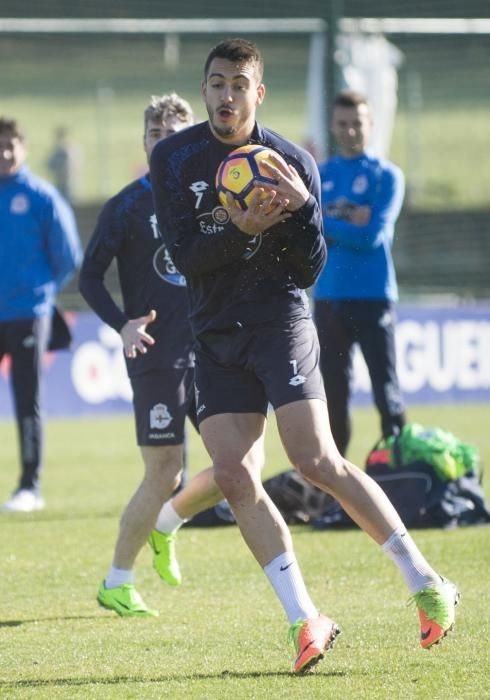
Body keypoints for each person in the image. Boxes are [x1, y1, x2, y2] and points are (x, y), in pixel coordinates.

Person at [150, 38, 459, 673]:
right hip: (214, 331)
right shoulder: (175, 159)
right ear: (204, 89)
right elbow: (184, 259)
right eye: (216, 83)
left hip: (279, 320)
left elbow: (311, 264)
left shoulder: (291, 161)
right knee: (233, 475)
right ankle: (305, 619)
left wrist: (302, 209)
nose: (226, 95)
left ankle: (426, 580)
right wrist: (241, 231)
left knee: (314, 458)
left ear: (257, 93)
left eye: (239, 84)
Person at [79, 94, 222, 617]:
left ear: (192, 142)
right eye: (156, 135)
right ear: (145, 142)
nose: (165, 144)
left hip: (214, 352)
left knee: (243, 466)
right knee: (165, 472)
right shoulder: (126, 206)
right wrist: (122, 324)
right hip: (156, 354)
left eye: (175, 136)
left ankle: (168, 523)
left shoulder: (212, 197)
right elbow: (88, 277)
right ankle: (118, 580)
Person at [314, 89, 406, 456]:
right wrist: (351, 215)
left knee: (386, 392)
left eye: (357, 124)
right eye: (343, 124)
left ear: (370, 125)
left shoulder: (387, 176)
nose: (350, 131)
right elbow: (310, 227)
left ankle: (400, 472)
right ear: (333, 127)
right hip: (329, 297)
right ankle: (338, 490)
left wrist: (328, 218)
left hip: (374, 295)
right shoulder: (319, 176)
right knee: (334, 397)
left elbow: (372, 236)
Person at [0, 116, 82, 512]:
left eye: (10, 145)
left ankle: (29, 485)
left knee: (25, 398)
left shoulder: (40, 197)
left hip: (27, 314)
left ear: (23, 148)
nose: (4, 153)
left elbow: (68, 256)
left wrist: (39, 292)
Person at [46, 126, 81, 204]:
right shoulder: (63, 149)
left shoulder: (65, 150)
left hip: (68, 182)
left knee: (68, 202)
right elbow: (49, 164)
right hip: (61, 181)